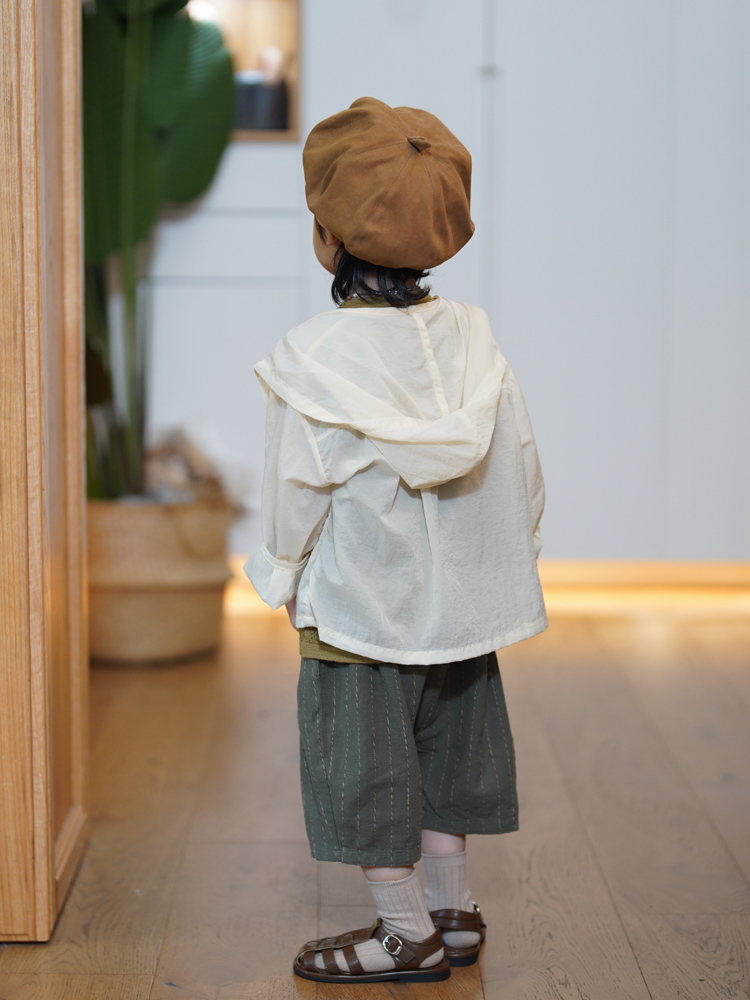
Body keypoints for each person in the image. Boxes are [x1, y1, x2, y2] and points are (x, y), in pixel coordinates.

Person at [244, 96, 547, 986]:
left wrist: (284, 575)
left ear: (327, 238)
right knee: (448, 753)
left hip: (363, 611)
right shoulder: (477, 343)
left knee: (368, 768)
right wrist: (511, 557)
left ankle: (405, 934)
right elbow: (522, 463)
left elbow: (296, 488)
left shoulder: (313, 357)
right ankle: (453, 913)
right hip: (463, 609)